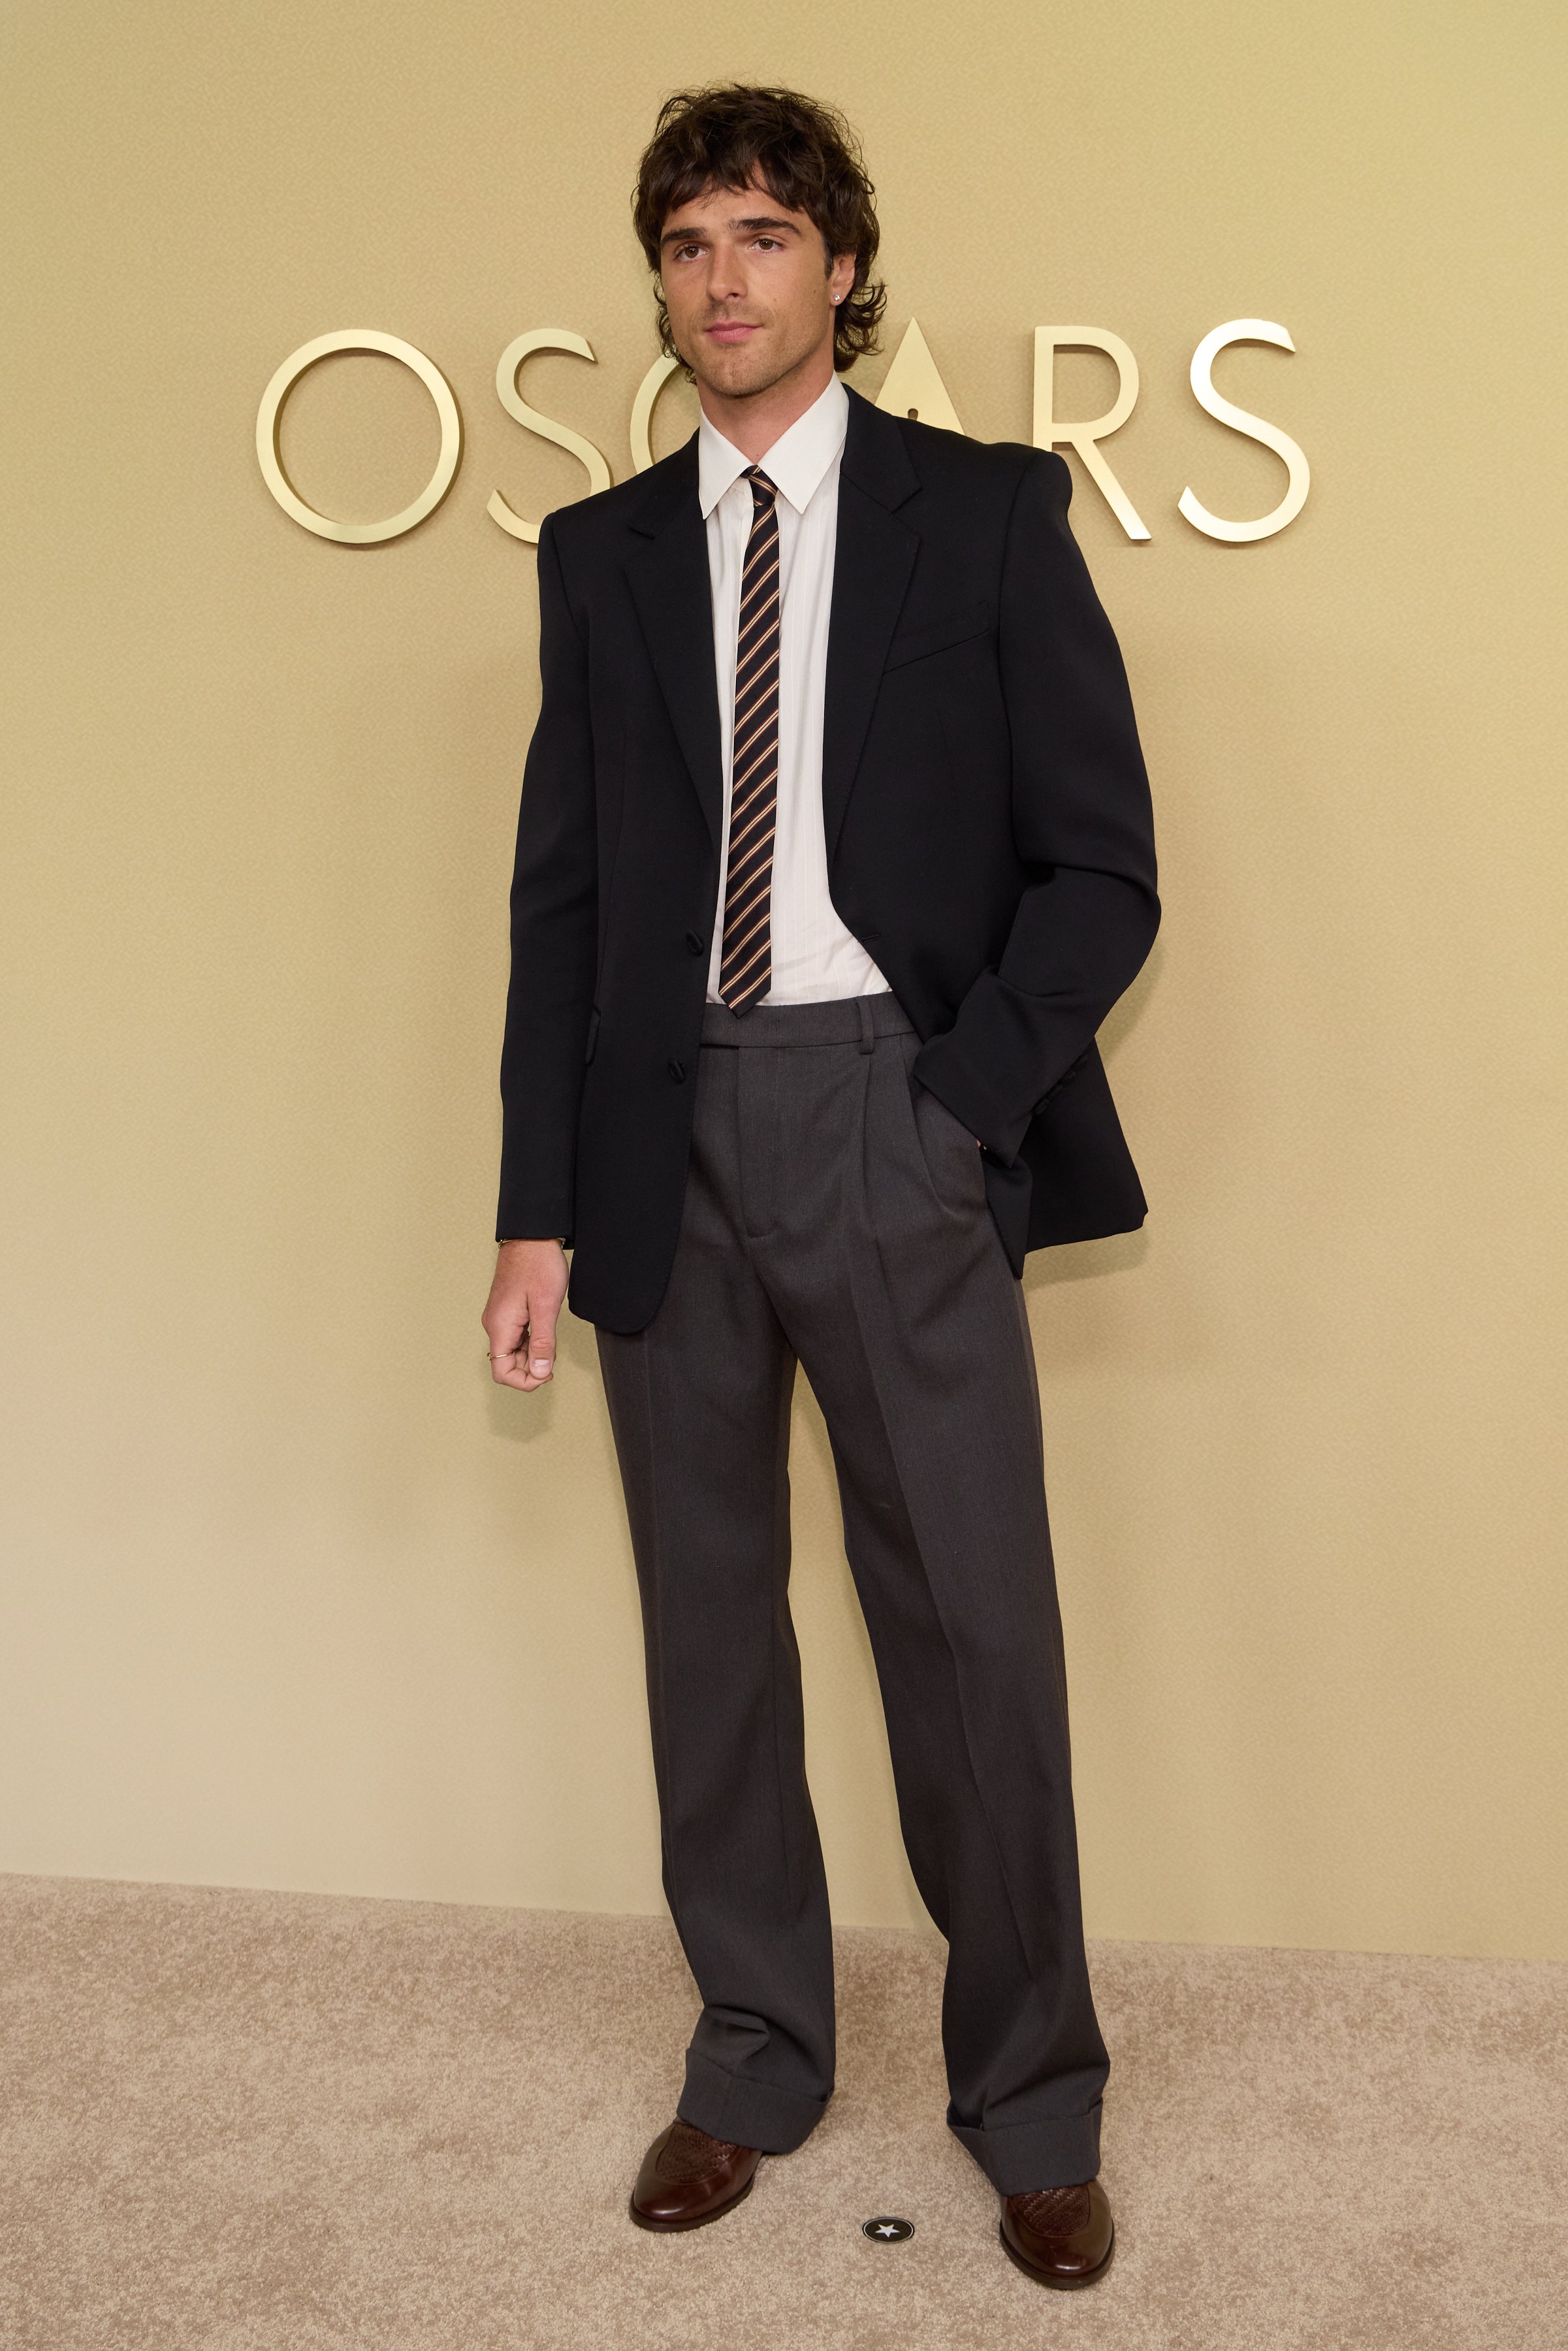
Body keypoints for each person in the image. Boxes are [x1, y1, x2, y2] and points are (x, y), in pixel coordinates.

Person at [482, 83, 1158, 2289]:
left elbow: (1102, 870)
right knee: (709, 1635)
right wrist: (533, 1210)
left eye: (762, 236)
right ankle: (754, 2053)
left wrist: (954, 1105)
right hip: (656, 1130)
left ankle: (1032, 2093)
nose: (721, 280)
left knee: (970, 1632)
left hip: (892, 1109)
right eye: (686, 244)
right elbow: (561, 912)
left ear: (840, 267)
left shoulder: (981, 517)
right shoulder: (598, 556)